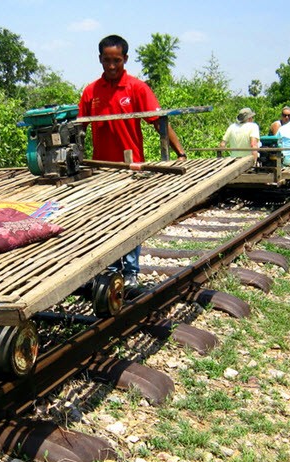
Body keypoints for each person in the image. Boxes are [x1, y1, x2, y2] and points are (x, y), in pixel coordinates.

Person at [78, 34, 187, 287]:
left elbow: (159, 121)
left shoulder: (137, 88)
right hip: (101, 168)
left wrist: (180, 153)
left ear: (125, 58)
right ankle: (110, 267)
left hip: (132, 168)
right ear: (100, 59)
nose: (112, 66)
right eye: (107, 60)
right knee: (105, 220)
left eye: (117, 60)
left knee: (130, 219)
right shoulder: (91, 91)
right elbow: (79, 130)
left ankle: (131, 271)